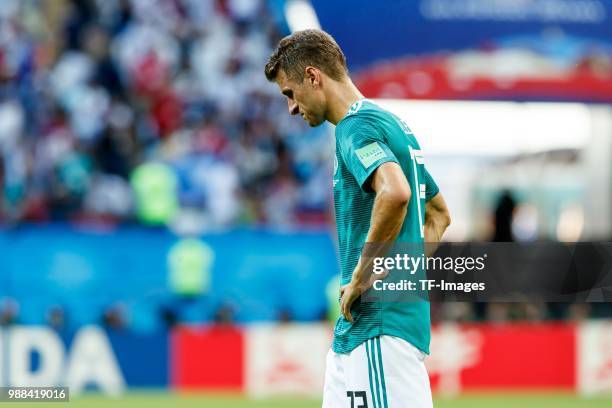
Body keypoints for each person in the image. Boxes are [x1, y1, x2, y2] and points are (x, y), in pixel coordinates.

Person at [265, 29, 451, 407]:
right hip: (358, 334)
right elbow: (438, 214)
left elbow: (395, 192)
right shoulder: (392, 125)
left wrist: (365, 277)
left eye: (290, 93)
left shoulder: (355, 127)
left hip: (379, 332)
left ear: (313, 76)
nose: (292, 108)